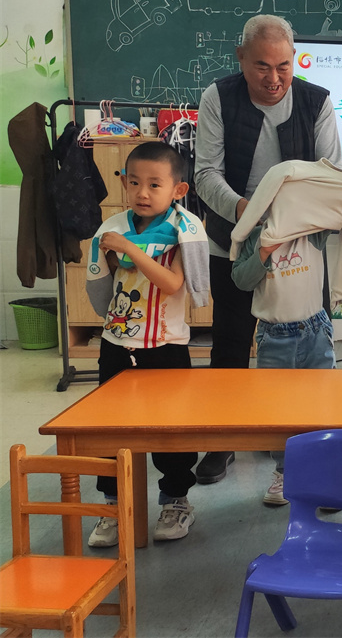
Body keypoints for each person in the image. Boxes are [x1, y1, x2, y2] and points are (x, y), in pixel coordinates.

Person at [194, 13, 342, 484]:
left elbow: (331, 174)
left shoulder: (317, 102)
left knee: (304, 346)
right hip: (233, 238)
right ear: (241, 58)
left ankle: (298, 444)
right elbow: (205, 174)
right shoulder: (218, 97)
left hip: (299, 244)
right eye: (261, 66)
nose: (274, 78)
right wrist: (249, 213)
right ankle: (223, 440)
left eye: (284, 66)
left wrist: (289, 222)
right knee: (230, 343)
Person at [231, 145, 342, 505]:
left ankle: (325, 473)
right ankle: (285, 471)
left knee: (323, 405)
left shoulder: (313, 232)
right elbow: (241, 281)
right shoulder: (256, 238)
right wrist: (263, 252)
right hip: (274, 336)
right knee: (280, 411)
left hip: (315, 331)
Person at [85, 142, 210, 546]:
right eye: (135, 182)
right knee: (110, 430)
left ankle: (176, 501)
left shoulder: (183, 229)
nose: (143, 192)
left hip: (166, 348)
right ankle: (112, 506)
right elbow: (105, 277)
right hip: (117, 344)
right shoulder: (113, 228)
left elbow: (172, 283)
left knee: (171, 431)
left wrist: (129, 250)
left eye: (155, 184)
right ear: (124, 182)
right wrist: (116, 251)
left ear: (178, 189)